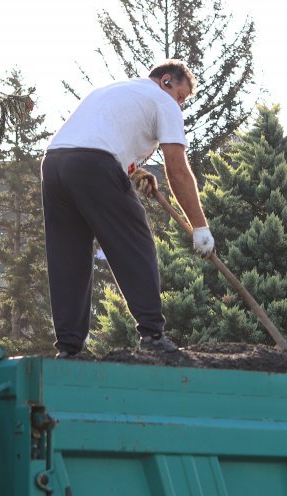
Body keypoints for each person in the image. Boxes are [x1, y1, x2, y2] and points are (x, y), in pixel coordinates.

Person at [40, 59, 214, 358]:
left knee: (68, 254)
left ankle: (69, 347)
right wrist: (199, 226)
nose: (179, 105)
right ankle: (153, 335)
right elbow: (177, 170)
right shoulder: (163, 100)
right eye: (181, 97)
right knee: (135, 243)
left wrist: (133, 171)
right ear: (167, 80)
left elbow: (102, 136)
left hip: (55, 164)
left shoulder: (114, 91)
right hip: (94, 164)